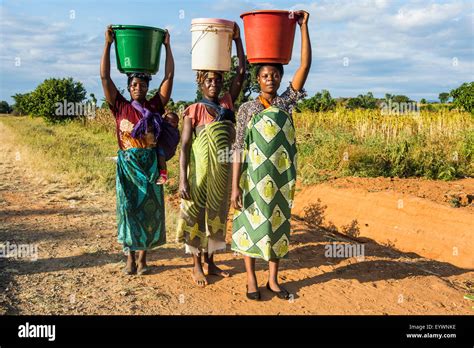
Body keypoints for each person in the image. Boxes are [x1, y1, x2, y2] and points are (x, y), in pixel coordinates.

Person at [230, 11, 311, 300]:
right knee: (249, 227)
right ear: (258, 79)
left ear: (280, 77)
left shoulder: (287, 103)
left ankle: (273, 280)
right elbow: (238, 148)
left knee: (277, 226)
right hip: (252, 180)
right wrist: (234, 188)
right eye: (265, 75)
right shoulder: (247, 110)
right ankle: (251, 279)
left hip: (278, 179)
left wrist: (304, 27)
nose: (271, 79)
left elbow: (304, 65)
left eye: (275, 75)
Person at [100, 25, 175, 275]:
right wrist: (108, 44)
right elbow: (104, 78)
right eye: (134, 85)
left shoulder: (154, 106)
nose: (138, 88)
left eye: (142, 85)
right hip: (128, 165)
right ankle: (129, 257)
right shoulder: (119, 106)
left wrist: (166, 46)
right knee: (129, 209)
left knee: (149, 212)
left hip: (150, 164)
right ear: (129, 87)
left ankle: (143, 259)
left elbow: (169, 79)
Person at [177, 22, 245, 287]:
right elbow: (184, 147)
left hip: (222, 175)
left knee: (217, 218)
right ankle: (196, 265)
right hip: (199, 176)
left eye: (217, 80)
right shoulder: (193, 110)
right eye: (208, 80)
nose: (214, 84)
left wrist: (238, 40)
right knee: (195, 217)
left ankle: (212, 262)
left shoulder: (227, 103)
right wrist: (183, 179)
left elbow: (242, 71)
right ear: (200, 83)